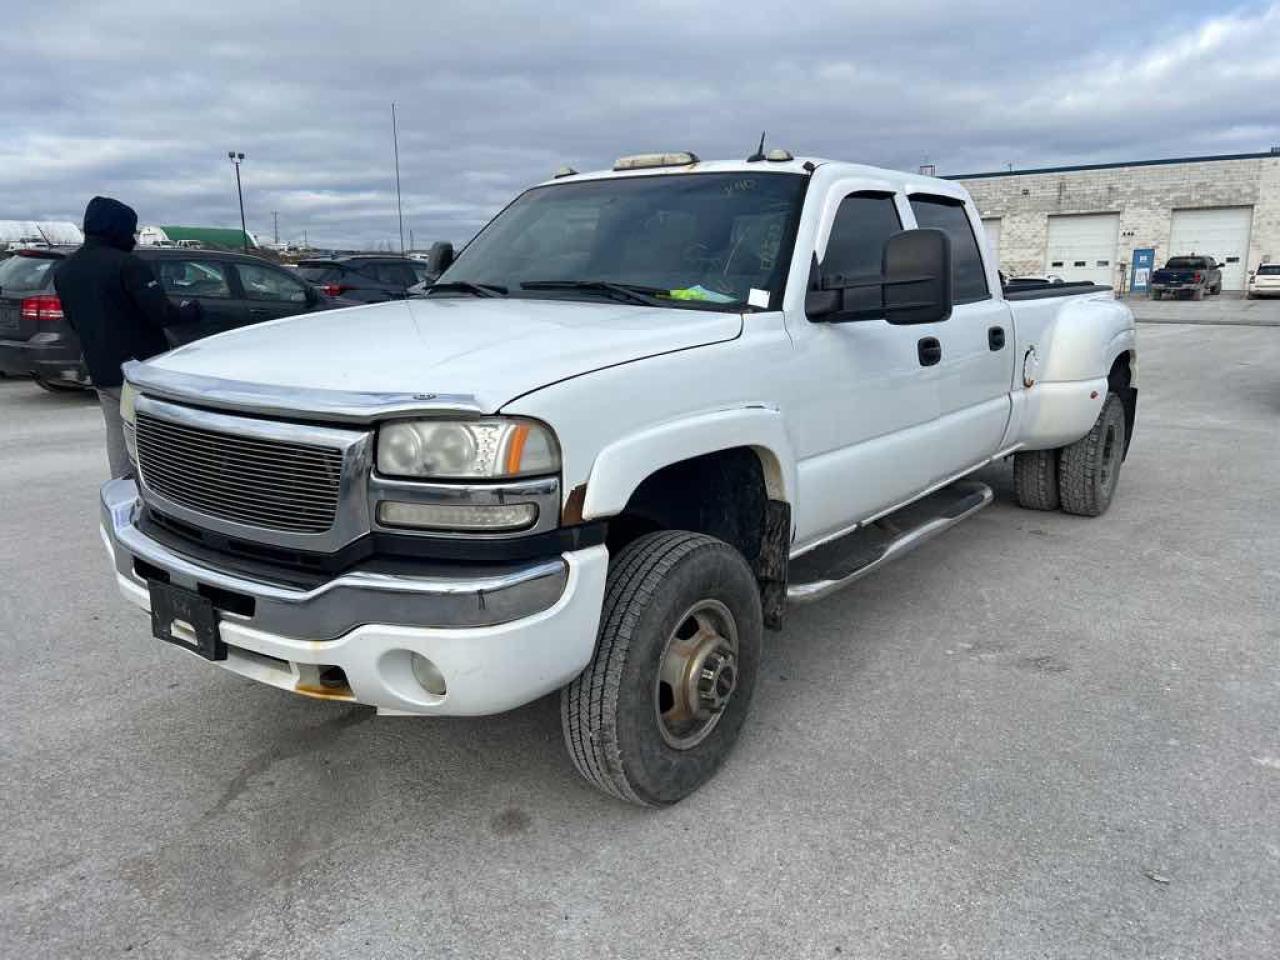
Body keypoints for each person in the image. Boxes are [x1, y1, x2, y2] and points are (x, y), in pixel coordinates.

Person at [53, 197, 197, 478]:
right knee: (154, 437)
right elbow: (161, 314)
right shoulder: (128, 265)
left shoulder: (65, 270)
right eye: (129, 229)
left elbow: (72, 320)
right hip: (138, 369)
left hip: (100, 367)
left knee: (117, 432)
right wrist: (191, 312)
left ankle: (121, 485)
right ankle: (160, 490)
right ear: (116, 228)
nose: (132, 236)